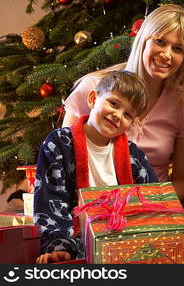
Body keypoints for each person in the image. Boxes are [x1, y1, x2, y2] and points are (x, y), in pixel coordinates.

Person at [62, 4, 184, 204]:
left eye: (178, 48)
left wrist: (142, 204)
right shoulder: (95, 87)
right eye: (160, 41)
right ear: (143, 40)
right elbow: (64, 159)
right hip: (90, 209)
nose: (166, 54)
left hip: (150, 214)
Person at [34, 70, 159, 264]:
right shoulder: (58, 143)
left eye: (127, 114)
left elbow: (151, 198)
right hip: (77, 242)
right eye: (114, 104)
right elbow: (51, 199)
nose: (117, 115)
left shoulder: (133, 154)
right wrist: (60, 247)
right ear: (93, 98)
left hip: (124, 242)